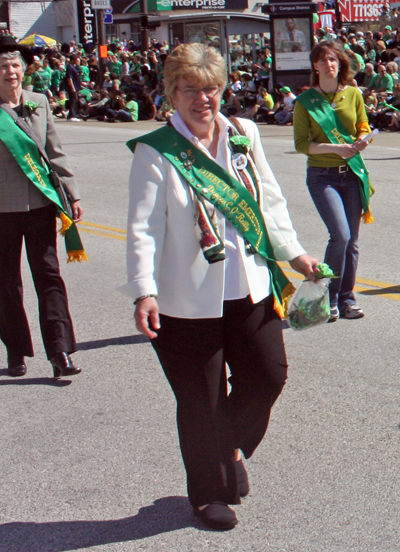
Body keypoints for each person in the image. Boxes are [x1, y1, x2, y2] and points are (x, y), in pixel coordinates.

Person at [119, 43, 317, 531]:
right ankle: (209, 493)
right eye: (191, 89)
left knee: (268, 376)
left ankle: (227, 450)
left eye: (211, 88)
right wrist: (144, 290)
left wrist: (293, 251)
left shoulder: (244, 133)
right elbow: (144, 227)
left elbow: (268, 200)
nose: (203, 99)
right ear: (172, 93)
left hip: (247, 286)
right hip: (186, 300)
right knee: (201, 400)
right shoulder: (155, 150)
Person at [0, 36, 86, 378]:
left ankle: (60, 352)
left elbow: (55, 153)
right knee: (9, 281)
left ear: (24, 70)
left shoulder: (39, 102)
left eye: (15, 65)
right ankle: (16, 350)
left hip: (41, 203)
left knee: (49, 277)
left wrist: (71, 194)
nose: (10, 71)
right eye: (2, 67)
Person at [293, 40, 373, 322]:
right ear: (315, 65)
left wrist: (362, 139)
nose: (330, 64)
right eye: (324, 60)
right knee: (340, 235)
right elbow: (302, 144)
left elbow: (362, 124)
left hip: (351, 174)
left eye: (334, 60)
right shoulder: (304, 102)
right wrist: (335, 148)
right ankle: (328, 296)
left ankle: (346, 298)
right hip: (321, 176)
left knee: (351, 241)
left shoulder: (353, 94)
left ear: (340, 64)